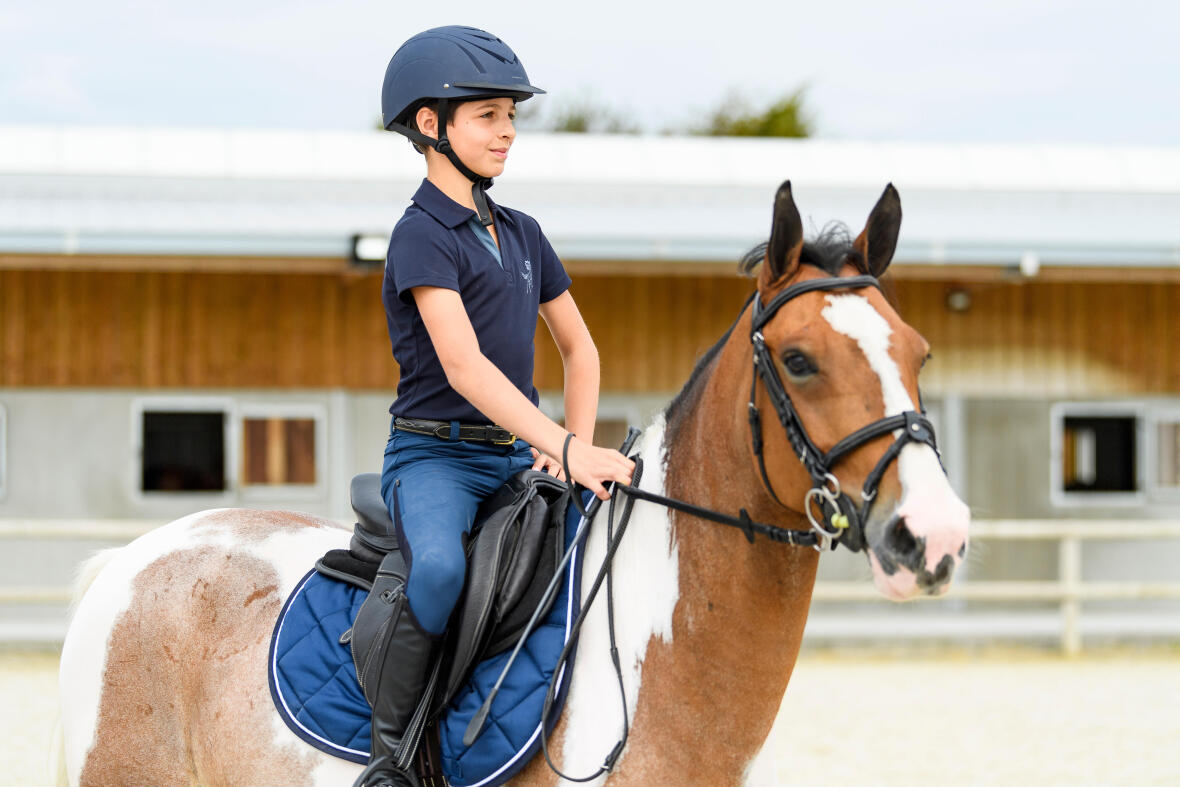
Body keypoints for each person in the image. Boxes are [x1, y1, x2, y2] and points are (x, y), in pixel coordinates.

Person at [354, 26, 635, 787]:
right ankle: (393, 755)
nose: (508, 130)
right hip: (433, 456)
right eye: (486, 114)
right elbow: (463, 364)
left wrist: (565, 446)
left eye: (511, 114)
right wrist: (570, 446)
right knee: (441, 569)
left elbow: (582, 350)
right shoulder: (419, 236)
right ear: (428, 125)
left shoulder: (523, 233)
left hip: (516, 453)